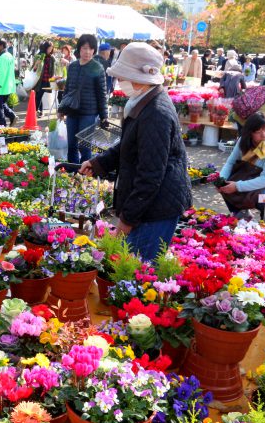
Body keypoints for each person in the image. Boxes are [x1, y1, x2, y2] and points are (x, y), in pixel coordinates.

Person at [80, 42, 191, 261]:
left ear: (141, 78)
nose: (120, 81)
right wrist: (99, 163)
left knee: (136, 271)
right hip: (151, 204)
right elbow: (128, 146)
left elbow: (150, 175)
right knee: (129, 269)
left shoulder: (155, 113)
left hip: (157, 208)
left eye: (122, 76)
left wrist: (127, 220)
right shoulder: (143, 101)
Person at [216, 112, 265, 221]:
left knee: (264, 199)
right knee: (225, 186)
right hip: (254, 179)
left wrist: (237, 186)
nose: (264, 135)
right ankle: (241, 216)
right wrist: (221, 181)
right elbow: (230, 163)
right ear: (250, 132)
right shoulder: (244, 141)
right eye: (258, 131)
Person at [58, 34, 107, 164]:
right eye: (84, 48)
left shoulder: (98, 67)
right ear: (79, 48)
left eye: (90, 49)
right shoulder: (73, 66)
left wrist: (104, 116)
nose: (87, 51)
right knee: (72, 145)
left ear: (94, 50)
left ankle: (85, 176)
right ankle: (72, 172)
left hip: (89, 113)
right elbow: (67, 89)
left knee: (84, 147)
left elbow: (102, 94)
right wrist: (61, 109)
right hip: (72, 111)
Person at [0, 38, 17, 127]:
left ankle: (2, 127)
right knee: (2, 105)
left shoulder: (3, 57)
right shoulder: (8, 55)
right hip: (7, 86)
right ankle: (12, 116)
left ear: (1, 46)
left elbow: (1, 73)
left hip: (1, 87)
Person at [33, 41, 55, 115]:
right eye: (49, 48)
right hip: (37, 80)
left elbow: (52, 70)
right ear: (45, 48)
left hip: (46, 80)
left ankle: (37, 111)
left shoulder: (51, 58)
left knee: (39, 95)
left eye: (51, 49)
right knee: (38, 96)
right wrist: (37, 64)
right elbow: (33, 69)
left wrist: (52, 79)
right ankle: (38, 111)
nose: (50, 50)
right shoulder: (39, 56)